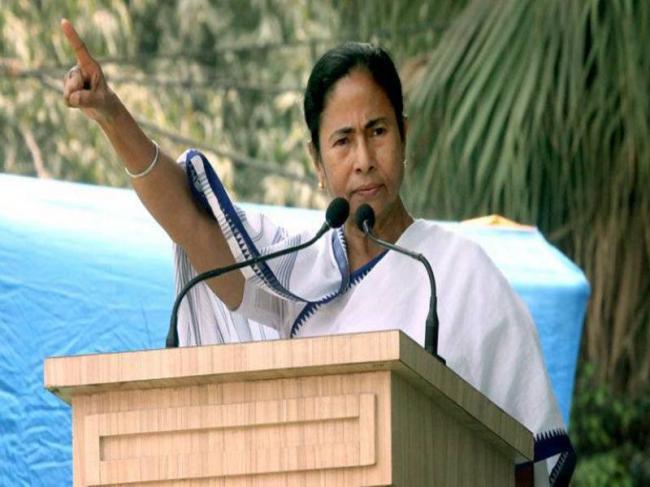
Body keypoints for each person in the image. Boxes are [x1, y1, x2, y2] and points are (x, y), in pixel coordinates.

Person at [61, 18, 574, 486]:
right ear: (317, 162)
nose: (364, 160)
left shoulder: (461, 273)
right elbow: (194, 222)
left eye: (378, 132)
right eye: (343, 141)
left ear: (404, 135)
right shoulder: (300, 276)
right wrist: (110, 114)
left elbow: (528, 460)